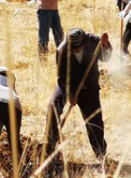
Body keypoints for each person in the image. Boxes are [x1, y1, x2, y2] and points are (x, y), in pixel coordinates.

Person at [46, 29, 113, 161]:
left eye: (79, 47)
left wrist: (106, 44)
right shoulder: (62, 50)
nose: (76, 50)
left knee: (94, 121)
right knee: (52, 106)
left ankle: (100, 154)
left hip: (89, 87)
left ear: (84, 43)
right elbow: (61, 77)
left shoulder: (93, 42)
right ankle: (49, 145)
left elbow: (106, 58)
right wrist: (69, 94)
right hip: (68, 84)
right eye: (74, 48)